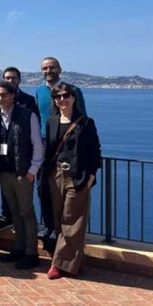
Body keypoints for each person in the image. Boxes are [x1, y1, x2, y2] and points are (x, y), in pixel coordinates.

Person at [44, 83, 102, 279]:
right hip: (56, 175)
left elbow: (95, 151)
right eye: (58, 96)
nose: (62, 99)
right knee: (59, 218)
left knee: (72, 219)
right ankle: (73, 261)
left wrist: (91, 177)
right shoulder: (51, 122)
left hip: (77, 176)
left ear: (74, 98)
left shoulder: (86, 123)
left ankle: (58, 264)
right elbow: (49, 150)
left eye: (66, 95)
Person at [0, 81, 44, 270]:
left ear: (13, 95)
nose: (1, 98)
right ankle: (19, 248)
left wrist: (33, 170)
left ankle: (31, 253)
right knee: (14, 212)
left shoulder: (28, 115)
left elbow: (37, 143)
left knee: (26, 213)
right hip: (4, 173)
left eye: (4, 94)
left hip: (23, 173)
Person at [35, 56, 87, 246]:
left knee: (66, 189)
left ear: (59, 69)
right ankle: (49, 226)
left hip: (66, 144)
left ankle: (63, 231)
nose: (48, 71)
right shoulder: (39, 91)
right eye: (45, 68)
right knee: (43, 188)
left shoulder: (72, 90)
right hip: (43, 144)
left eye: (52, 67)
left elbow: (83, 118)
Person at [0, 66, 39, 230]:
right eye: (7, 78)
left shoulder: (28, 102)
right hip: (5, 162)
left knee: (25, 209)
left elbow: (34, 135)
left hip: (23, 164)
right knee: (10, 202)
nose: (10, 80)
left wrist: (33, 168)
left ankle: (29, 244)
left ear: (19, 80)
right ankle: (7, 219)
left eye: (13, 78)